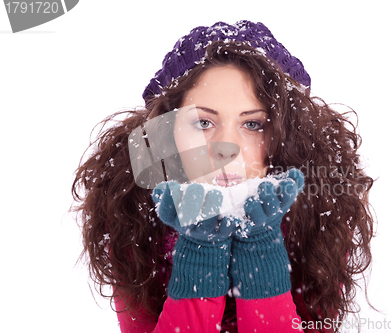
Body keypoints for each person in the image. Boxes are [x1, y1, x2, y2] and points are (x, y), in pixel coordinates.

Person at [72, 20, 375, 333]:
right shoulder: (131, 212)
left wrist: (262, 251)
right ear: (168, 131)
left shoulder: (321, 214)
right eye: (203, 123)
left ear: (287, 134)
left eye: (253, 124)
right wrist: (200, 256)